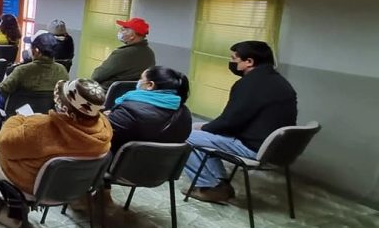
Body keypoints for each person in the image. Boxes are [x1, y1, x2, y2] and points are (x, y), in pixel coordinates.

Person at [0, 79, 112, 226]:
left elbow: (4, 144)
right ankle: (12, 214)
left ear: (66, 105)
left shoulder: (43, 128)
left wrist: (19, 119)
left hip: (36, 186)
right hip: (71, 189)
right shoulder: (103, 131)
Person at [184, 41, 297, 203]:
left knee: (183, 135)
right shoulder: (281, 83)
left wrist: (204, 127)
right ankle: (220, 185)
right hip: (275, 150)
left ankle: (210, 187)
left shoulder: (249, 84)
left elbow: (229, 122)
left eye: (234, 58)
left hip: (254, 148)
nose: (231, 62)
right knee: (201, 134)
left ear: (249, 61)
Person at [0, 33, 68, 150]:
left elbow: (3, 89)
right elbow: (62, 93)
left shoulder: (22, 70)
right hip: (47, 113)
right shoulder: (62, 71)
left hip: (18, 112)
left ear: (36, 51)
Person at [107, 66, 192, 153]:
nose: (138, 81)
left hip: (121, 159)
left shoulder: (128, 111)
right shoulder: (185, 114)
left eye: (141, 79)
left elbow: (104, 136)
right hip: (162, 161)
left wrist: (104, 118)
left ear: (150, 85)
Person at [91, 17, 156, 89]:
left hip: (107, 92)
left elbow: (96, 76)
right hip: (130, 92)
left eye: (123, 30)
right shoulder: (150, 53)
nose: (120, 32)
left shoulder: (123, 53)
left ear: (132, 36)